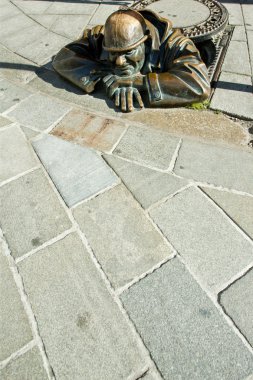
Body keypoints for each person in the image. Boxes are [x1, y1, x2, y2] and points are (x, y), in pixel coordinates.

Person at [53, 8, 211, 112]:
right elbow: (64, 57)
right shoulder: (100, 36)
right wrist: (103, 77)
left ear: (146, 42)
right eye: (113, 53)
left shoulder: (176, 44)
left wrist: (138, 82)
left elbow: (199, 85)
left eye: (129, 52)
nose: (119, 62)